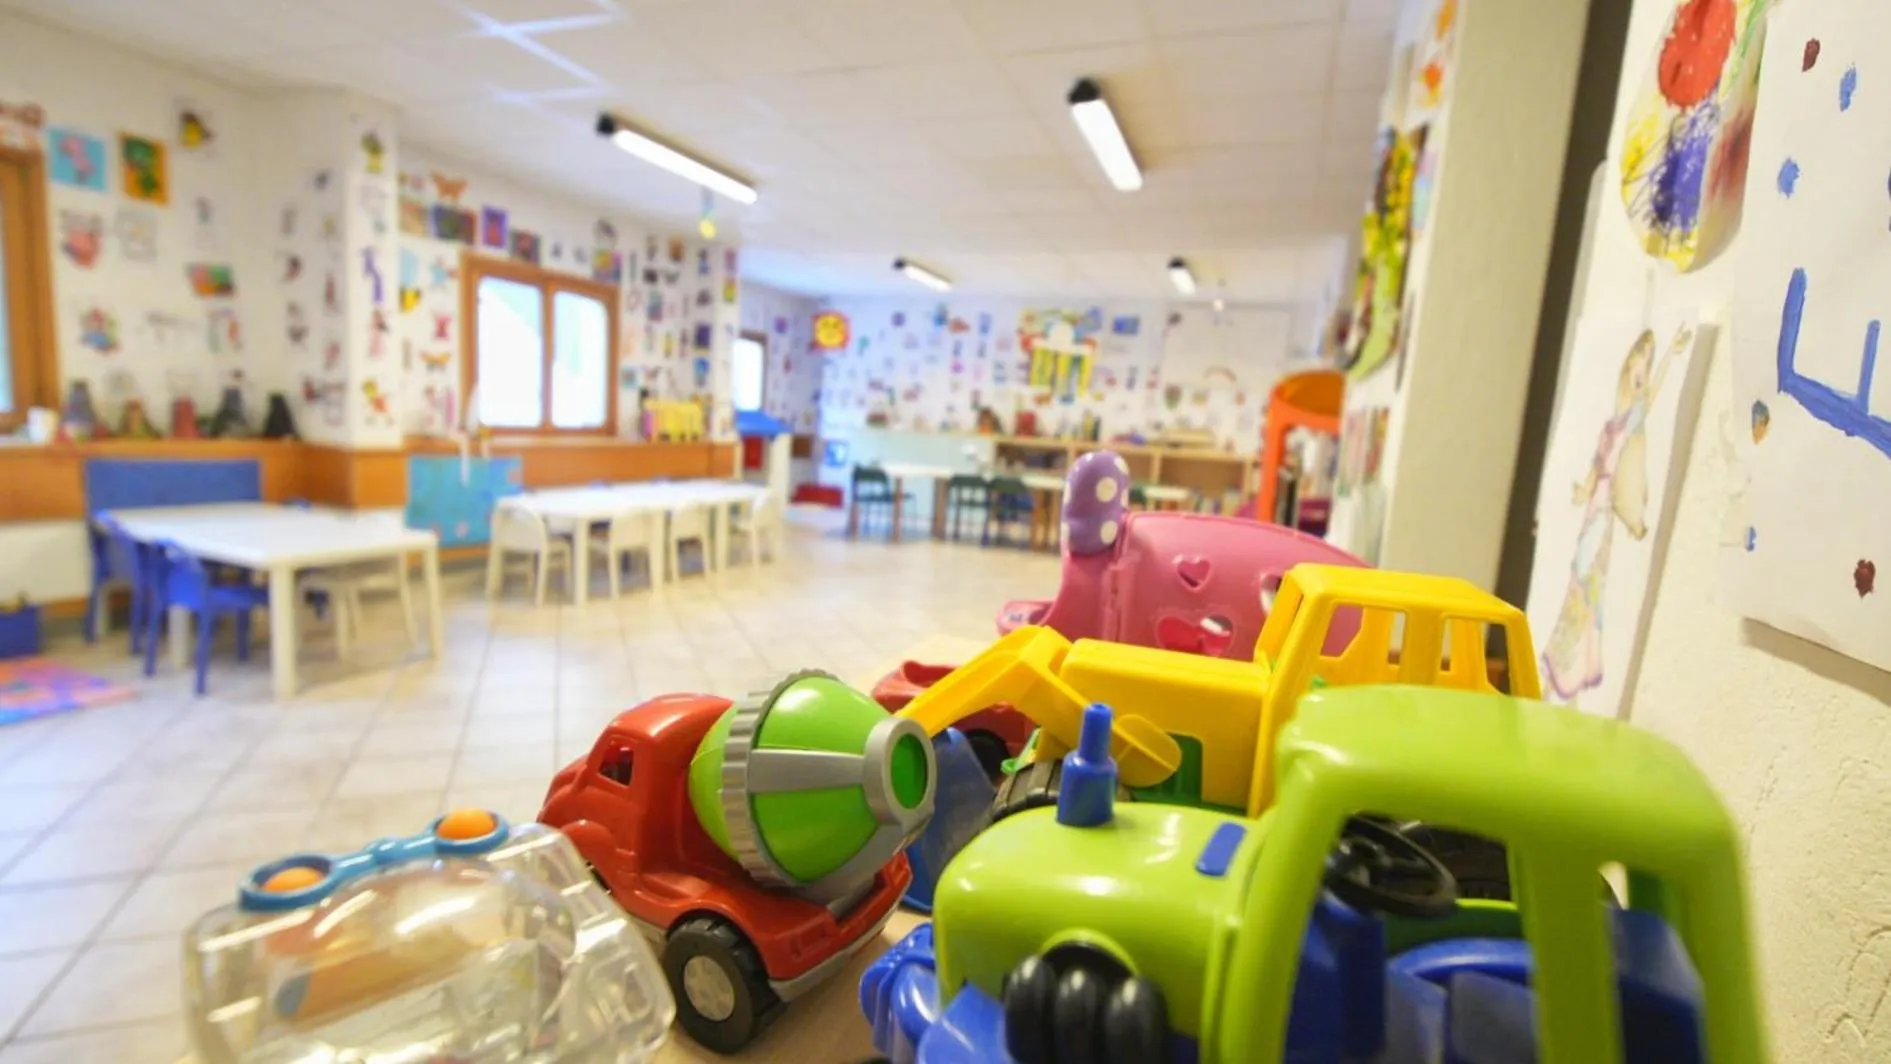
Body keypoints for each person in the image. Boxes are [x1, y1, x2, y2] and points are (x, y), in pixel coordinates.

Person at [1540, 326, 1689, 702]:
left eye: (1642, 375)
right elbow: (1594, 472)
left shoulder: (1634, 417)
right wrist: (1577, 493)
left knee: (1588, 591)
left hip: (1604, 517)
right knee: (1580, 586)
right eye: (1634, 373)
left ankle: (1567, 682)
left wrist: (1671, 352)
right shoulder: (1610, 424)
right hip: (1593, 513)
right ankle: (1558, 678)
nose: (1637, 382)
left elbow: (1654, 393)